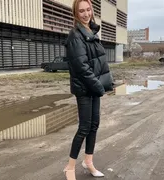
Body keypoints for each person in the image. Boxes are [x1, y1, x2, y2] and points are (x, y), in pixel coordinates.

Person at [63, 0, 114, 179]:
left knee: (94, 125)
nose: (86, 14)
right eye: (81, 11)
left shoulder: (91, 32)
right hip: (84, 88)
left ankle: (89, 162)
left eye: (88, 9)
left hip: (93, 86)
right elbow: (82, 67)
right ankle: (70, 167)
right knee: (84, 127)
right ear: (76, 14)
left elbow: (98, 62)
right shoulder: (75, 36)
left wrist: (106, 82)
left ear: (92, 10)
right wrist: (99, 86)